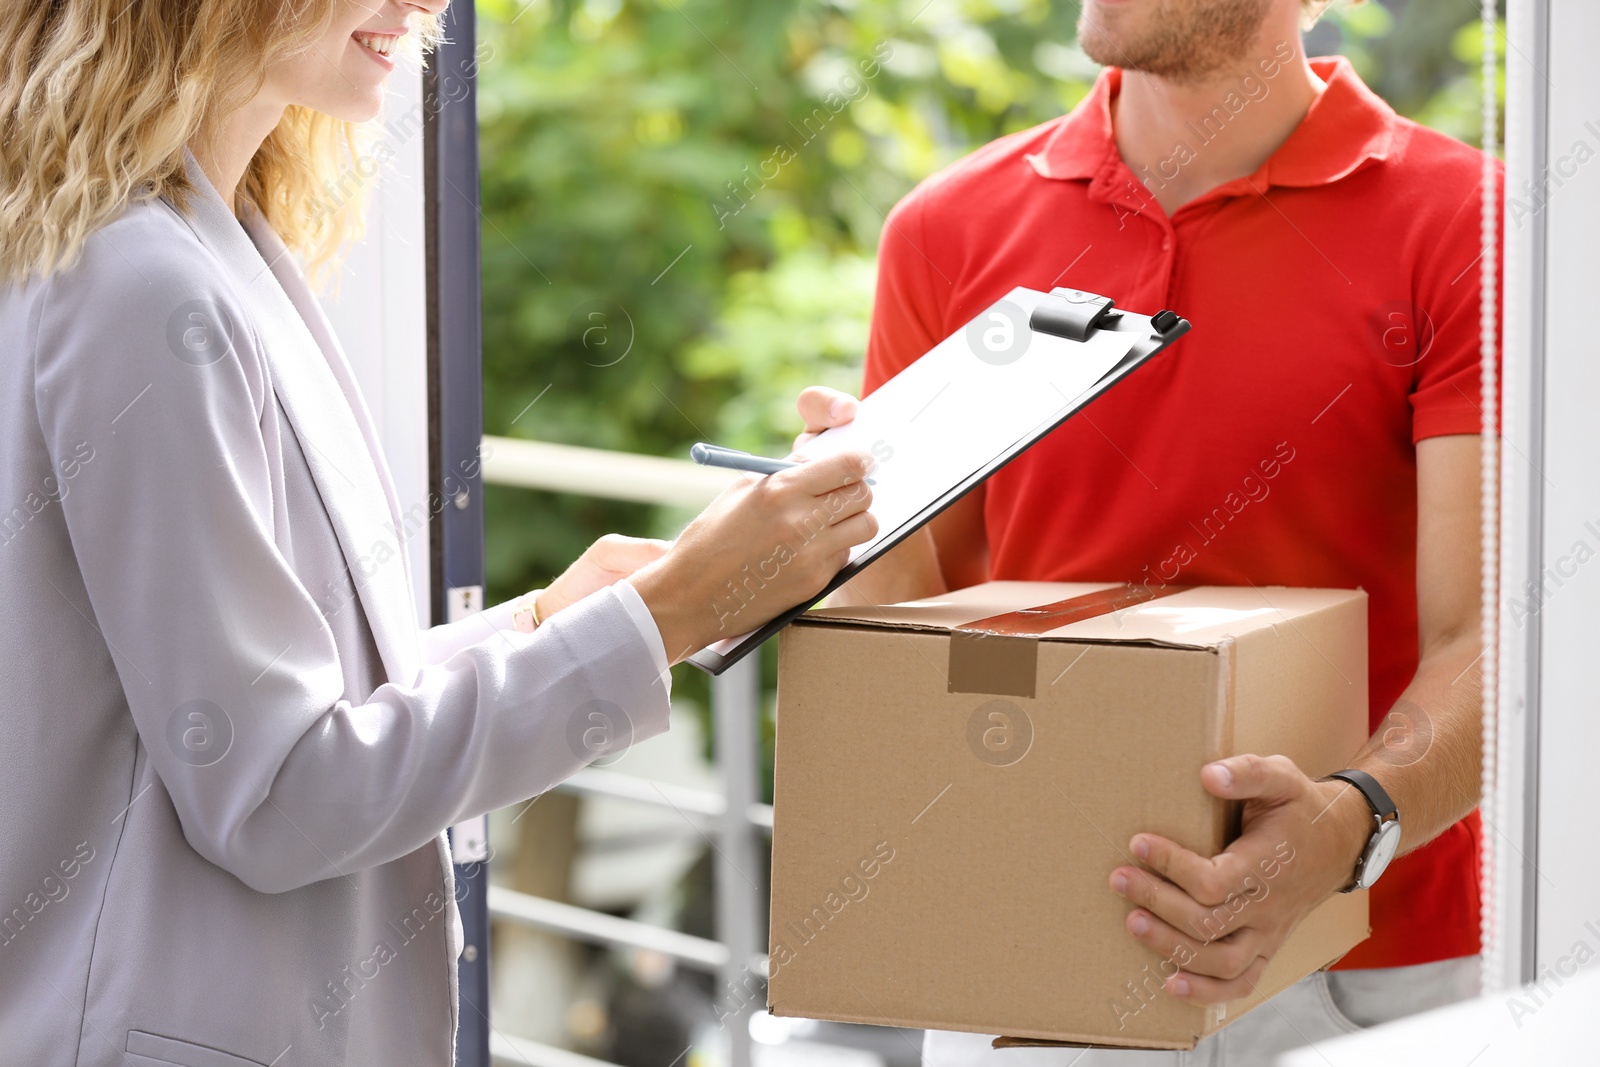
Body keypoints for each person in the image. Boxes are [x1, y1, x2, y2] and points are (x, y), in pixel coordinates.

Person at [0, 2, 875, 1064]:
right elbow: (277, 794)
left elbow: (281, 708)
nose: (424, 5)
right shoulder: (144, 284)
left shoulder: (212, 248)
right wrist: (669, 612)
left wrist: (552, 619)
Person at [797, 0, 1495, 1062]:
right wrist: (828, 516)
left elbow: (1497, 631)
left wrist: (1347, 826)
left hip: (1372, 962)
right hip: (1038, 946)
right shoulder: (948, 229)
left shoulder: (1463, 225)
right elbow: (900, 618)